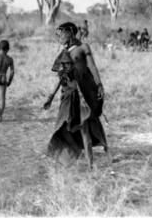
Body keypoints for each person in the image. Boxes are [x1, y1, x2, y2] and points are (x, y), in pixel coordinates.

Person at [46, 22, 109, 169]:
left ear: (70, 32)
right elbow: (61, 78)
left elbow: (92, 66)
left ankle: (91, 165)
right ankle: (67, 160)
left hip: (82, 94)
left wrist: (99, 85)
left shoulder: (83, 48)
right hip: (68, 95)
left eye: (61, 33)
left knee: (85, 128)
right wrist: (50, 97)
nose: (59, 36)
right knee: (64, 126)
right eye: (58, 34)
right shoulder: (63, 55)